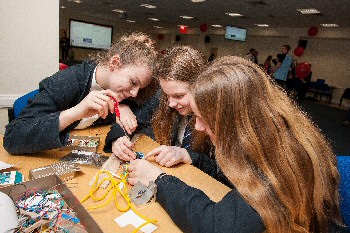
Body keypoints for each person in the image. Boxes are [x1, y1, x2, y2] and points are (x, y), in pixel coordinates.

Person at [127, 56, 346, 232]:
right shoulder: (270, 136)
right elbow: (233, 178)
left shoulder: (276, 163)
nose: (200, 127)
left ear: (234, 120)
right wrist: (191, 157)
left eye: (205, 118)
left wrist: (159, 180)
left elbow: (217, 226)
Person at [4, 32, 158, 154]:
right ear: (114, 63)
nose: (134, 93)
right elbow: (12, 138)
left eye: (140, 87)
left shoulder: (123, 94)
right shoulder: (66, 82)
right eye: (133, 82)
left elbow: (139, 120)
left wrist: (122, 111)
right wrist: (76, 112)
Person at [111, 45, 229, 185]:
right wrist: (118, 138)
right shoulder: (165, 99)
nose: (171, 103)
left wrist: (188, 155)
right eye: (167, 95)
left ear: (202, 87)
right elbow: (134, 120)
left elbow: (225, 175)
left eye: (179, 96)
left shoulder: (220, 118)